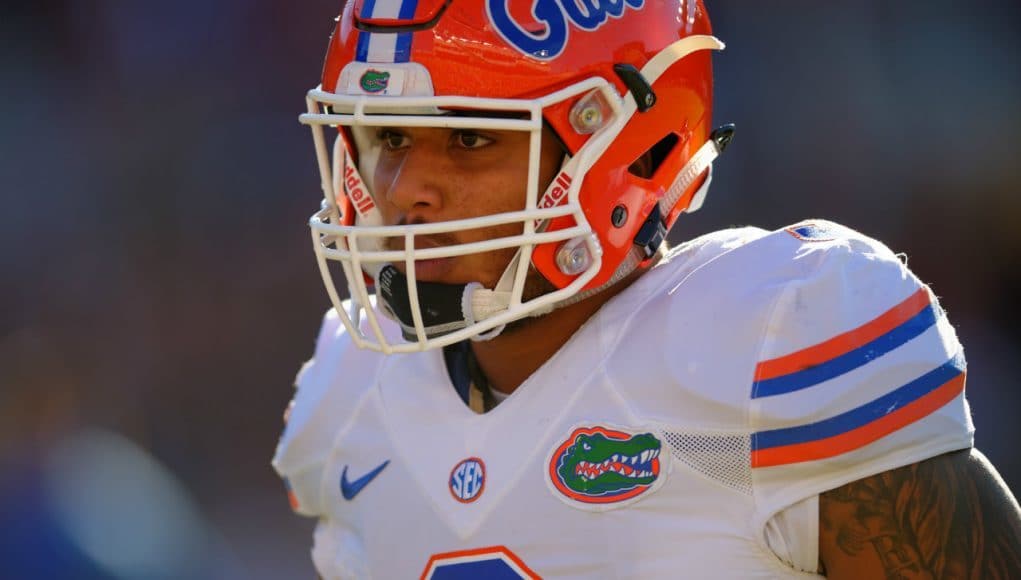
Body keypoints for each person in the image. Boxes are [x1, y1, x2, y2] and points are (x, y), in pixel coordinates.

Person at [273, 1, 1021, 577]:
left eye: (469, 138)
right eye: (390, 138)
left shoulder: (764, 341)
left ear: (626, 145)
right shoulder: (354, 390)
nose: (406, 191)